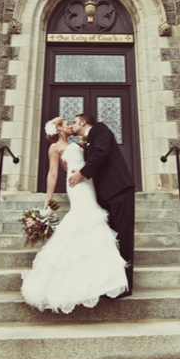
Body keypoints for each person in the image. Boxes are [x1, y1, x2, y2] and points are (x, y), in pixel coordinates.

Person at [20, 117, 128, 313]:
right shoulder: (55, 148)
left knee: (94, 216)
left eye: (73, 122)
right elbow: (52, 174)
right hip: (77, 185)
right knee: (84, 216)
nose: (71, 125)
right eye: (67, 123)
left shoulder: (79, 143)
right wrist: (48, 200)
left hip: (89, 182)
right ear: (59, 128)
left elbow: (95, 157)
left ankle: (96, 274)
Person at [69, 113, 135, 296]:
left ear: (83, 122)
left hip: (119, 189)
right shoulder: (87, 140)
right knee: (110, 239)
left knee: (124, 237)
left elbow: (102, 152)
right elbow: (94, 159)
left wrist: (82, 173)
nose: (73, 125)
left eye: (74, 122)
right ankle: (112, 282)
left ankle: (125, 286)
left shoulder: (100, 129)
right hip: (104, 194)